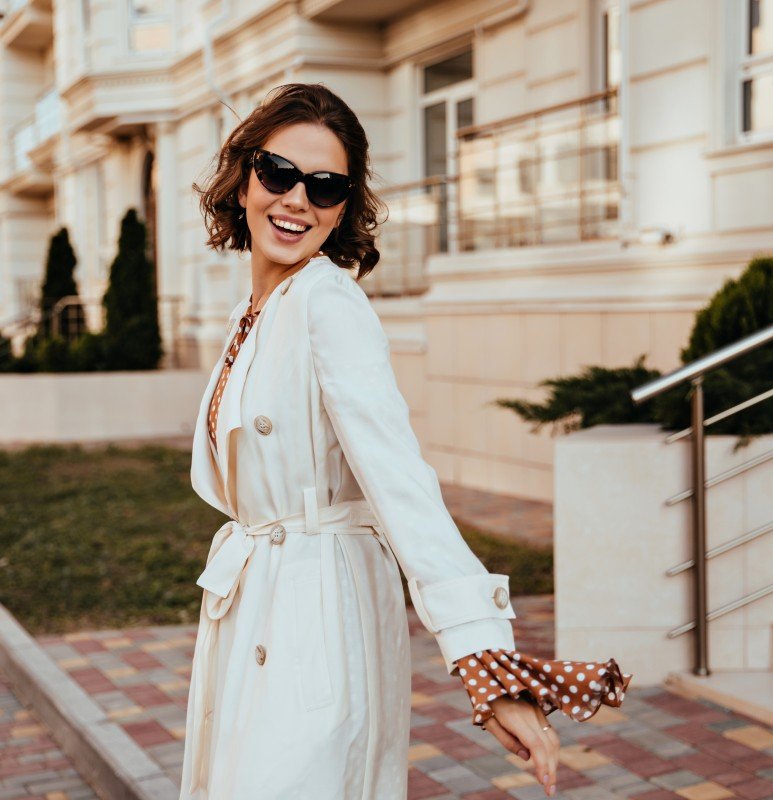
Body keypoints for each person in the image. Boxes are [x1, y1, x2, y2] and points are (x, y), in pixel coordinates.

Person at [179, 83, 631, 800]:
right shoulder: (252, 313)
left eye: (326, 187)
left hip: (316, 615)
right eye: (278, 173)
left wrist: (483, 652)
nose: (297, 200)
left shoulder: (328, 302)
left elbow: (400, 482)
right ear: (243, 179)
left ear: (343, 208)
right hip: (255, 599)